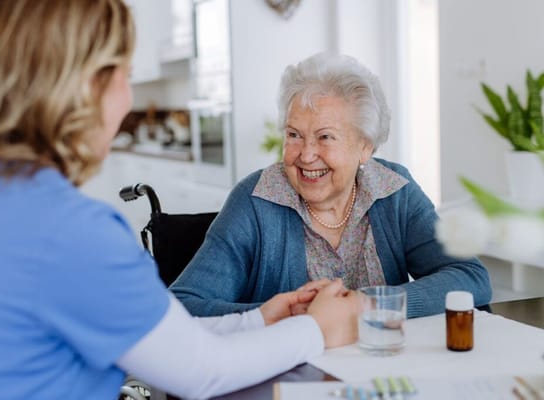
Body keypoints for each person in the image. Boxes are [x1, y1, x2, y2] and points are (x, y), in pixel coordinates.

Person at [0, 2, 362, 399]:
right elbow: (201, 369)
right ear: (87, 85)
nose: (127, 99)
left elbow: (154, 337)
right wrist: (316, 330)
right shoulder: (67, 231)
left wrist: (259, 320)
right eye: (124, 76)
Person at [170, 52, 492, 318]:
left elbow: (470, 277)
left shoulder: (394, 191)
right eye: (294, 135)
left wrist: (367, 305)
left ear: (365, 146)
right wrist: (298, 315)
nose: (306, 155)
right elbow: (184, 305)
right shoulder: (255, 200)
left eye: (325, 137)